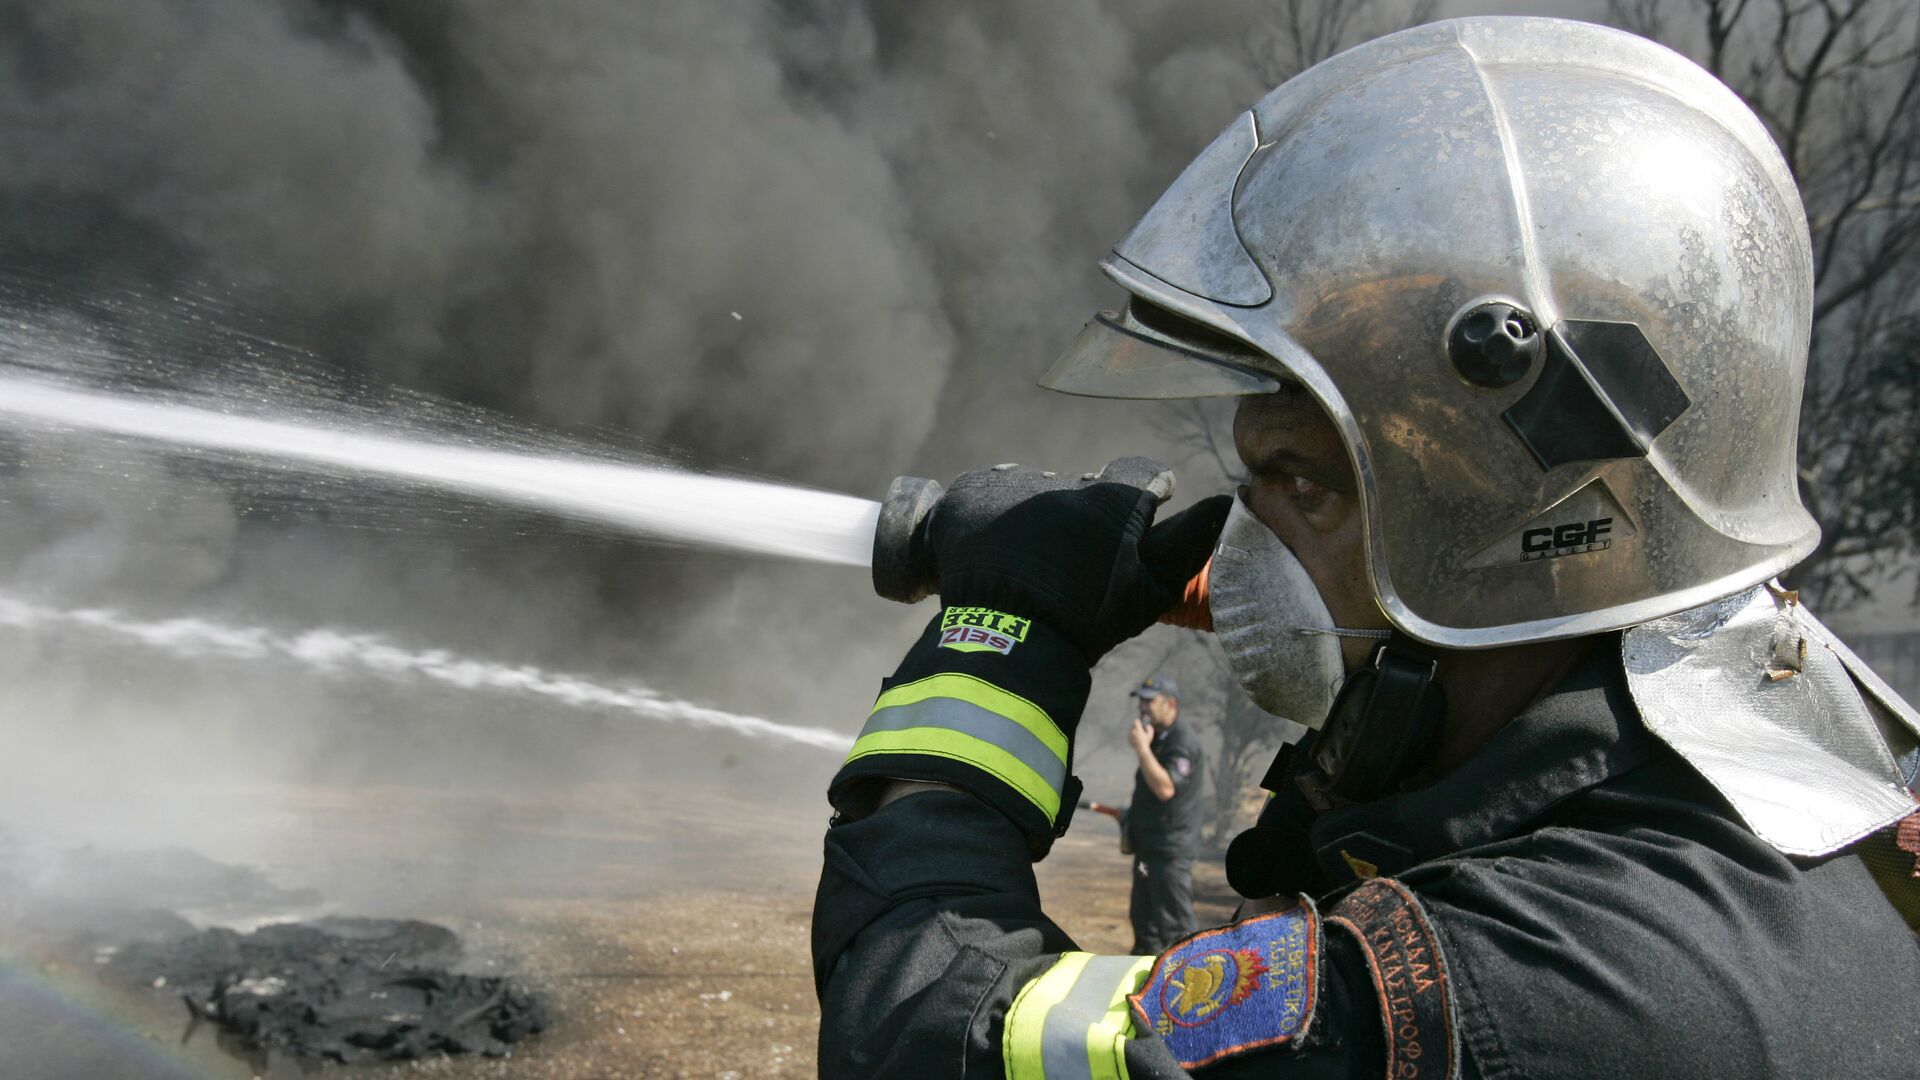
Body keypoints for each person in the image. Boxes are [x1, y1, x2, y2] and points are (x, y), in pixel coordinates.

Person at [812, 17, 1920, 1079]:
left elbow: (931, 1038)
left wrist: (1001, 638)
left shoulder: (1528, 984)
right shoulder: (1803, 810)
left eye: (1299, 482)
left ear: (1499, 530)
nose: (1246, 535)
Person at [1123, 676, 1203, 955]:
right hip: (1148, 850)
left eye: (1150, 700)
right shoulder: (1158, 737)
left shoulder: (1182, 741)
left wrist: (1142, 750)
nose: (1143, 707)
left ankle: (1192, 983)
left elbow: (1166, 788)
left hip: (1170, 852)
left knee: (1175, 928)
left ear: (1170, 703)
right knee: (1144, 924)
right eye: (1141, 700)